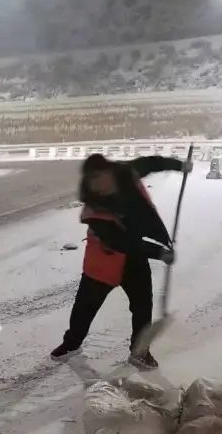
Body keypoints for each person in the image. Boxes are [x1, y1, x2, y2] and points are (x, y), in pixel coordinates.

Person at [52, 152, 191, 369]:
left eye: (101, 177)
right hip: (103, 262)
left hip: (134, 259)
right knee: (84, 308)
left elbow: (151, 163)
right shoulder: (93, 210)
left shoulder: (126, 173)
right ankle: (71, 343)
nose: (99, 185)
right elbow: (121, 242)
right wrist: (159, 252)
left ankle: (140, 351)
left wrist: (179, 165)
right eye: (93, 181)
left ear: (110, 171)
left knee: (142, 306)